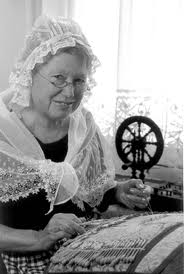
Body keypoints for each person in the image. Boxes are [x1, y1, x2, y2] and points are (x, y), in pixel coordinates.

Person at [0, 15, 152, 274]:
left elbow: (91, 195)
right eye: (58, 77)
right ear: (30, 72)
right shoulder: (3, 133)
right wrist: (41, 237)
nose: (70, 93)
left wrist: (117, 191)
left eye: (79, 80)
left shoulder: (85, 128)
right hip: (19, 262)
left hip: (82, 255)